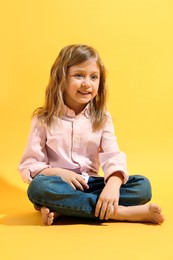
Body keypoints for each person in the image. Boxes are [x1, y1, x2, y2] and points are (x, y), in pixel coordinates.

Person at [18, 44, 164, 225]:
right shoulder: (43, 118)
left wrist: (112, 185)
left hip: (92, 185)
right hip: (59, 185)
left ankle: (65, 209)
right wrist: (59, 173)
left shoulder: (102, 117)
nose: (87, 83)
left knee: (142, 186)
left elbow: (113, 155)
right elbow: (29, 166)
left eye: (93, 77)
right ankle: (119, 212)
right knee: (37, 188)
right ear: (61, 78)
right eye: (79, 75)